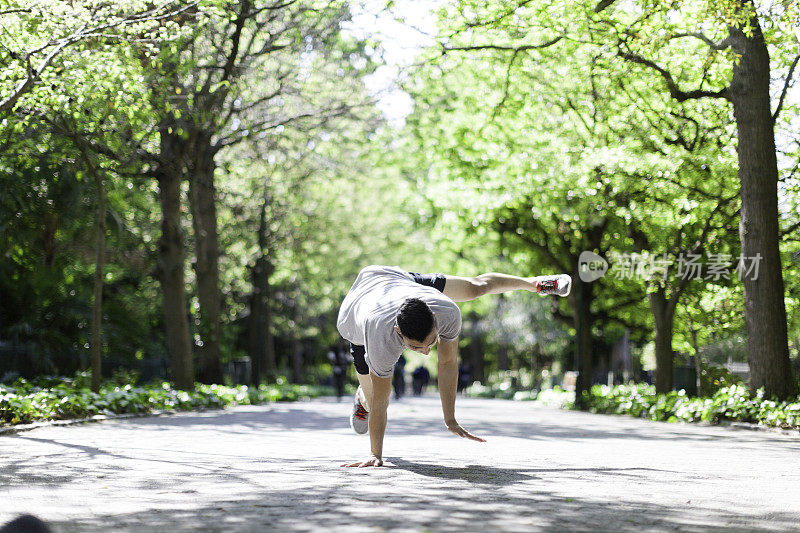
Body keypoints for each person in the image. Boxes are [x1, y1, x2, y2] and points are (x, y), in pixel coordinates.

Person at [336, 265, 571, 468]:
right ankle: (361, 398)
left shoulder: (446, 311)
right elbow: (382, 401)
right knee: (372, 396)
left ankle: (536, 283)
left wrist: (450, 418)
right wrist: (375, 454)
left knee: (475, 287)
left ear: (435, 319)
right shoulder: (380, 338)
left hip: (396, 281)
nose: (427, 352)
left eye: (431, 342)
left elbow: (447, 362)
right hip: (358, 316)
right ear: (399, 333)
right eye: (417, 348)